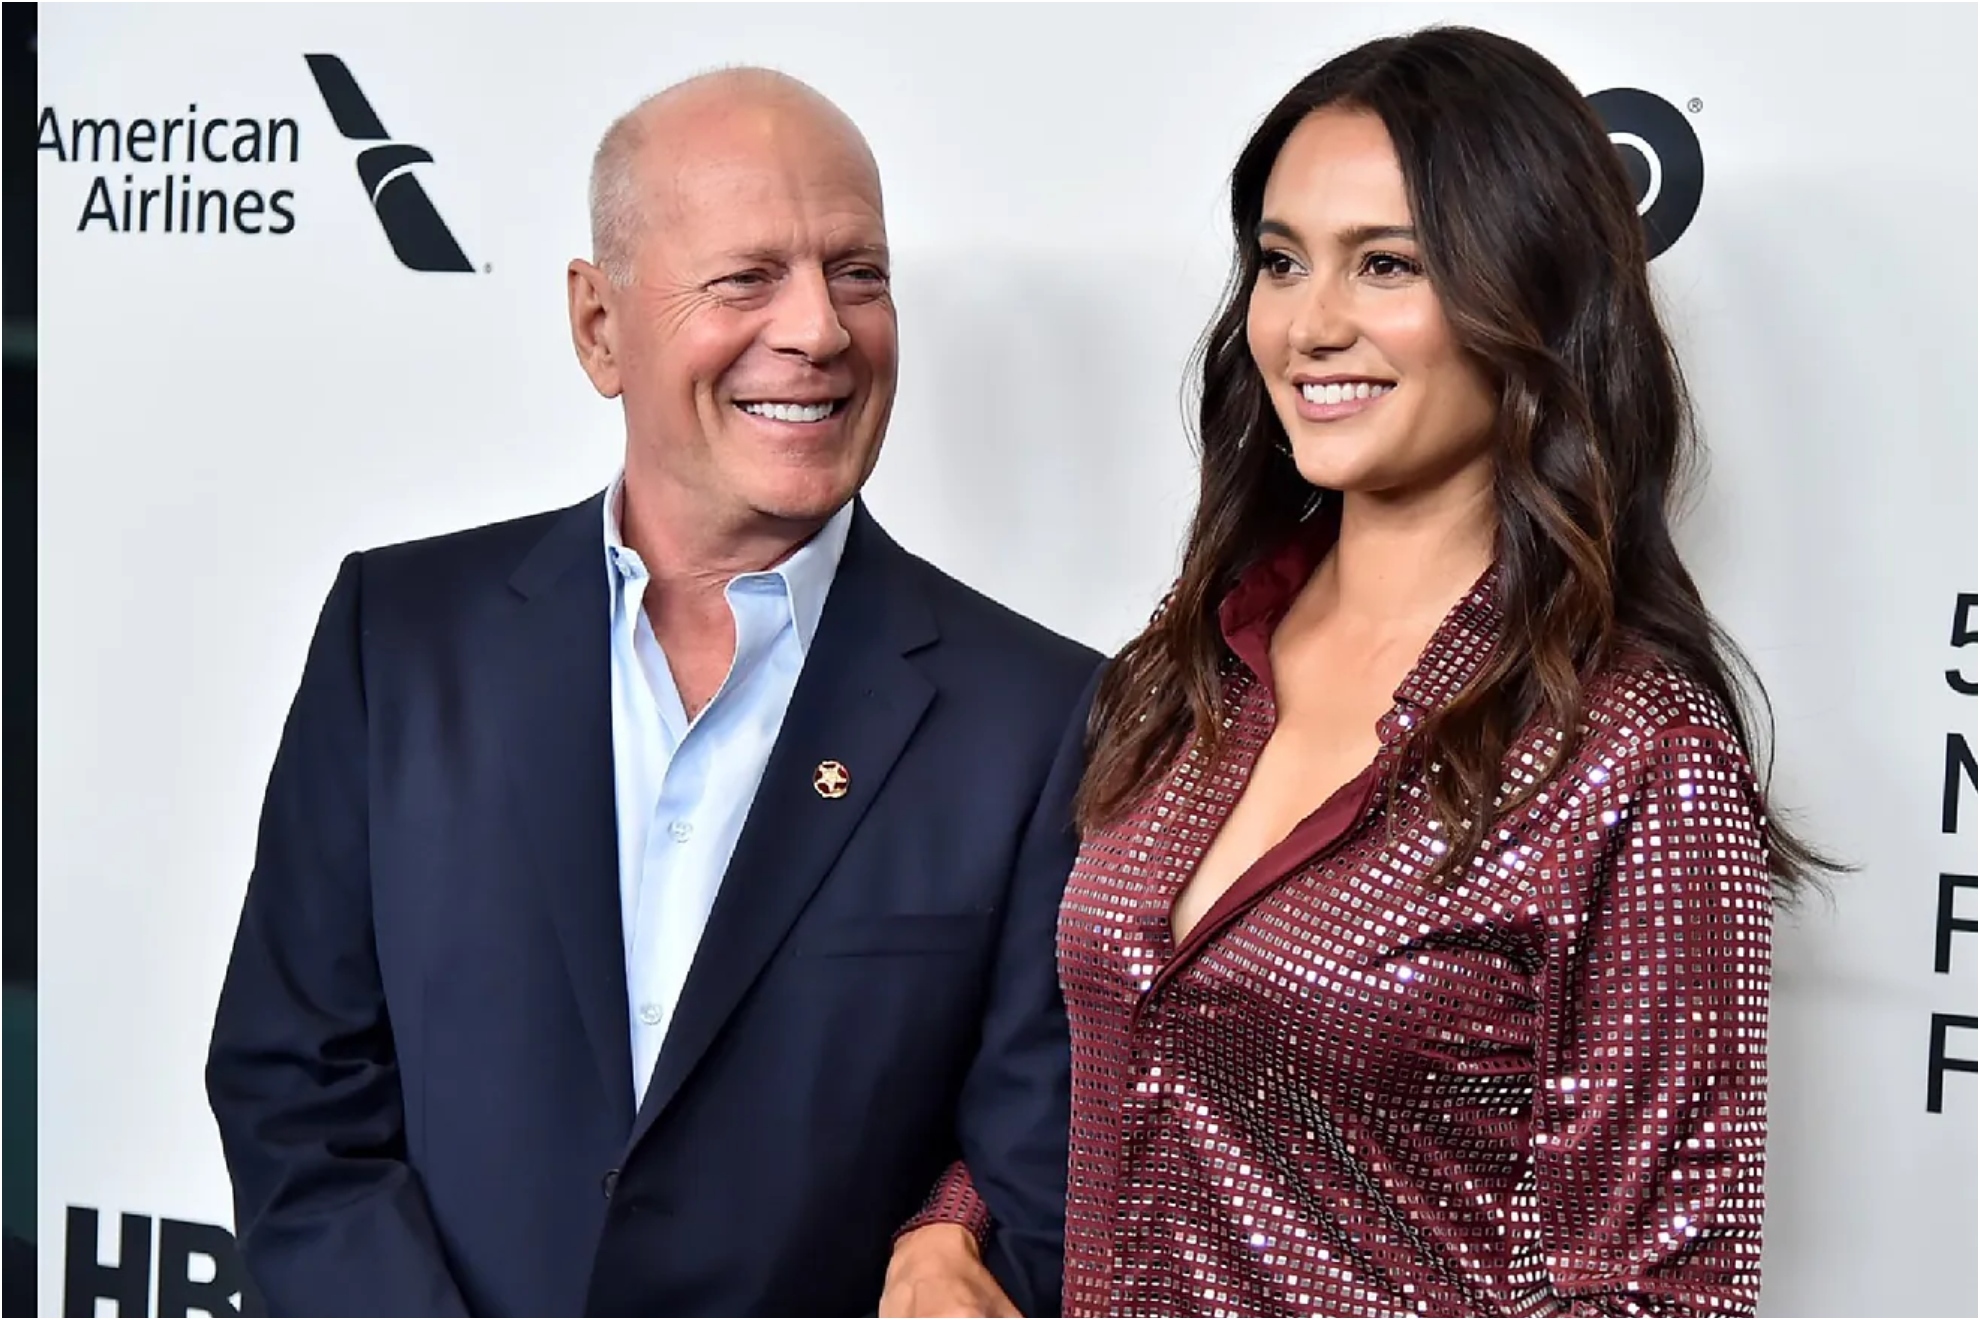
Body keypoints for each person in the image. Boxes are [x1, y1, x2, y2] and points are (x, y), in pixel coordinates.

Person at [206, 68, 1099, 1318]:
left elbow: (1040, 1172)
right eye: (746, 278)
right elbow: (296, 1088)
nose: (820, 330)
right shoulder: (399, 637)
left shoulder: (1042, 718)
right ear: (598, 326)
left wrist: (953, 1233)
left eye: (858, 273)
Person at [1058, 26, 1831, 1317]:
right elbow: (1109, 1050)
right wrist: (954, 1220)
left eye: (1388, 264)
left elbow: (1656, 1292)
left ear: (1530, 296)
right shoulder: (1188, 660)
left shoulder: (1632, 747)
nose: (1311, 324)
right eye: (1282, 262)